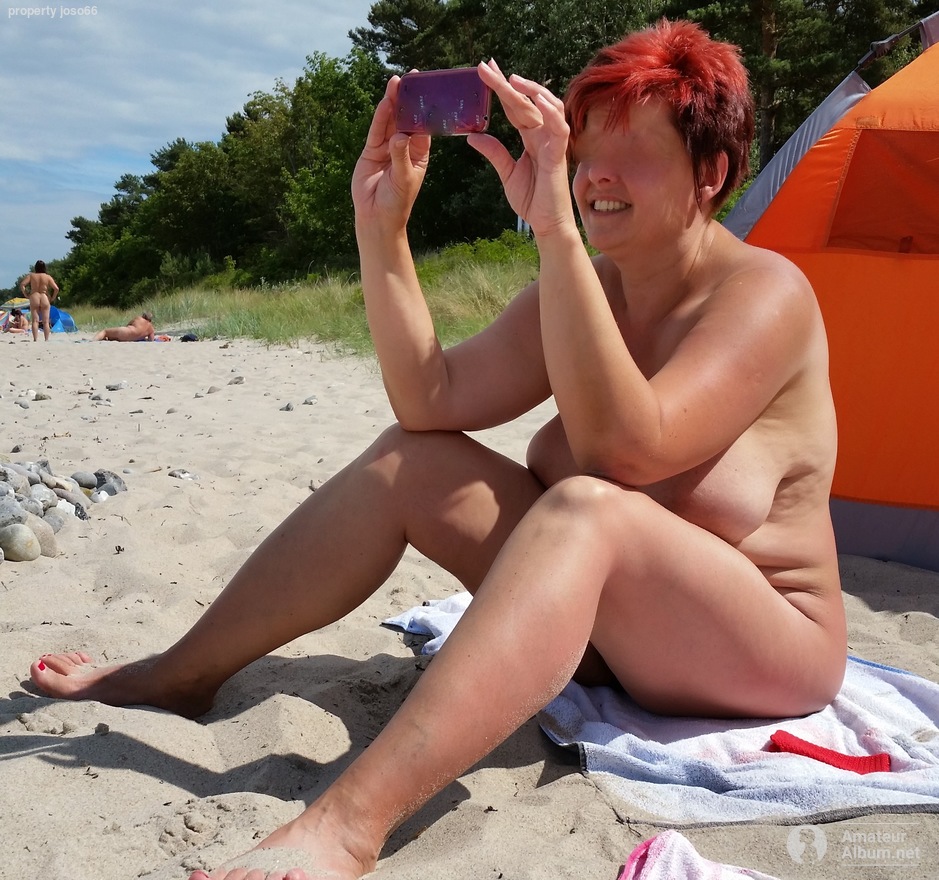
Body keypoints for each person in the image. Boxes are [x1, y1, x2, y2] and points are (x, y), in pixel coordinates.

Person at [30, 20, 847, 880]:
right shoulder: (589, 286)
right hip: (616, 641)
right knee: (407, 461)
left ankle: (349, 826)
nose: (593, 176)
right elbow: (430, 400)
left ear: (709, 173)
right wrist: (381, 228)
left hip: (759, 649)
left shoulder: (763, 294)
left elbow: (625, 455)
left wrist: (553, 232)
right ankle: (180, 674)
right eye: (585, 150)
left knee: (587, 507)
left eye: (632, 151)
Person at [18, 259, 59, 341]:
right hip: (44, 296)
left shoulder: (31, 276)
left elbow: (22, 284)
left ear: (35, 267)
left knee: (35, 321)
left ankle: (35, 339)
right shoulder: (47, 277)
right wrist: (53, 297)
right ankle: (46, 339)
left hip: (34, 296)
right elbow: (56, 288)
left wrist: (26, 294)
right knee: (46, 321)